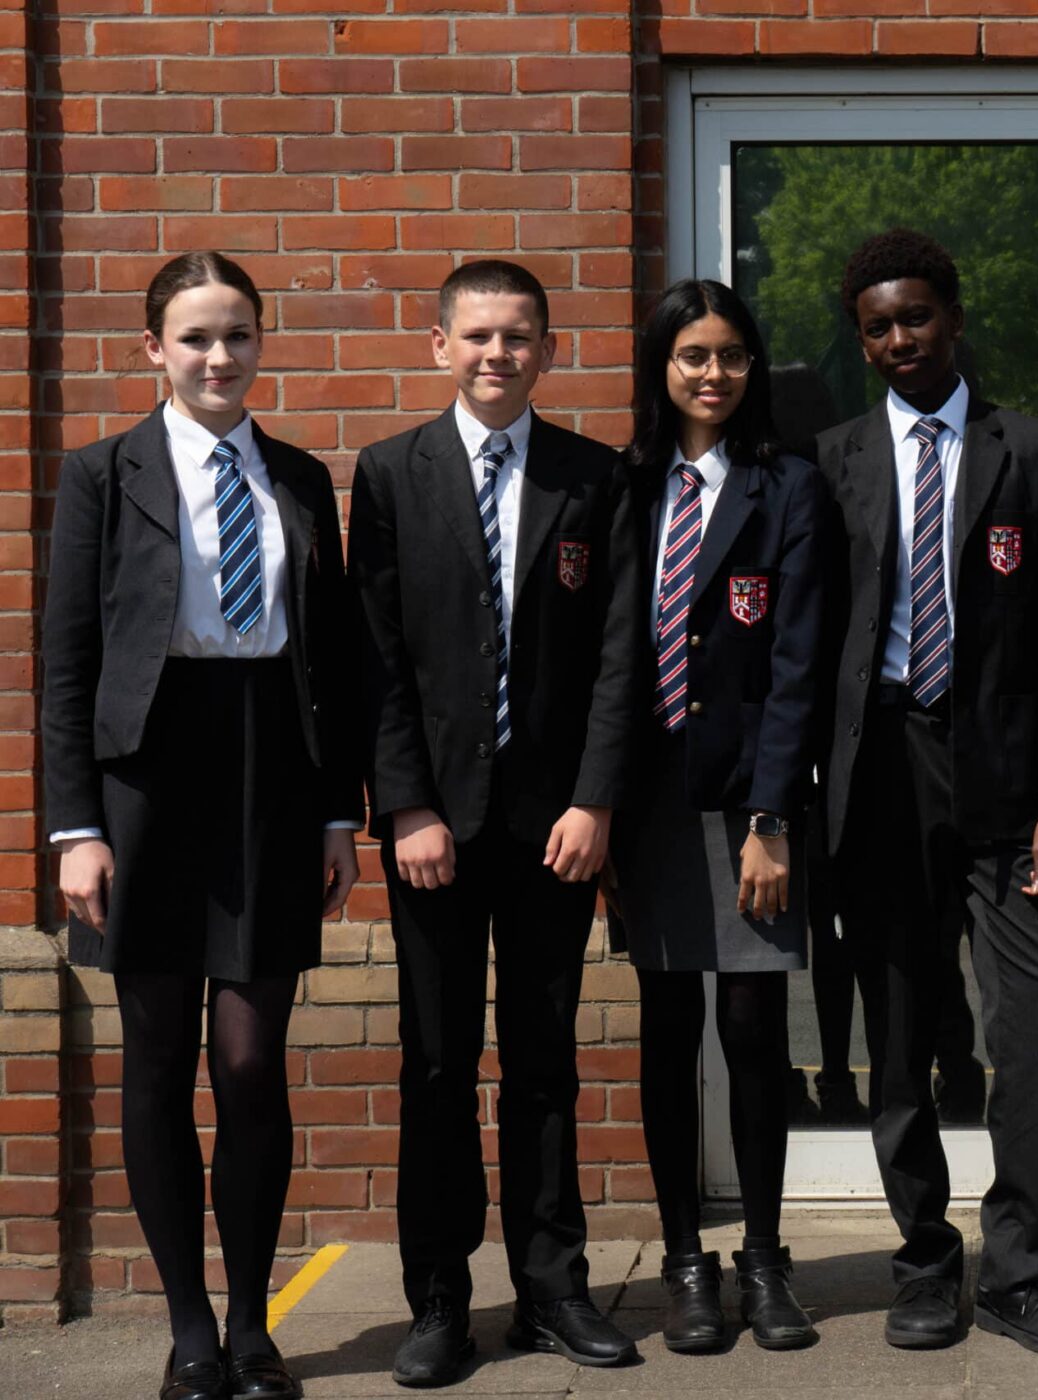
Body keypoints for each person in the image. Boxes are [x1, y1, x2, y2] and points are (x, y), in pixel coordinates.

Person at [43, 251, 364, 1400]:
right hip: (145, 782)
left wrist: (340, 809)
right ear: (154, 349)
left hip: (269, 775)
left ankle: (253, 1322)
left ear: (260, 340)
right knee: (157, 1048)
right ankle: (189, 1331)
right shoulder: (100, 473)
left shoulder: (299, 474)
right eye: (195, 337)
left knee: (248, 1056)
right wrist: (74, 824)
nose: (219, 356)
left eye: (237, 334)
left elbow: (331, 656)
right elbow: (67, 659)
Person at [349, 259, 643, 1385]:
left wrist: (595, 795)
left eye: (518, 336)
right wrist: (406, 801)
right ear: (439, 345)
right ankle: (437, 1296)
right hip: (434, 831)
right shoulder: (390, 474)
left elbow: (621, 651)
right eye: (476, 334)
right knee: (435, 1062)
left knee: (545, 1062)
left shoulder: (591, 475)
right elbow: (373, 653)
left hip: (553, 823)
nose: (496, 354)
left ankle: (554, 1288)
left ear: (547, 350)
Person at [815, 228, 1038, 1356]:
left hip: (1007, 781)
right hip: (881, 772)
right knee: (896, 1035)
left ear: (955, 316)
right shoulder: (829, 458)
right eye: (879, 326)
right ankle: (926, 1264)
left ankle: (1024, 1270)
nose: (900, 339)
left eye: (917, 317)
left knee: (1030, 1029)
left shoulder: (1030, 450)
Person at [609, 278, 827, 1353]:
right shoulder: (627, 485)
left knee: (749, 1029)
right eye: (693, 353)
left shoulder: (787, 487)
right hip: (649, 800)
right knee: (665, 1030)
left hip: (753, 802)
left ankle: (765, 1258)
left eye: (733, 354)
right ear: (661, 363)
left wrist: (771, 813)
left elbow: (797, 665)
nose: (713, 372)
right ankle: (686, 1260)